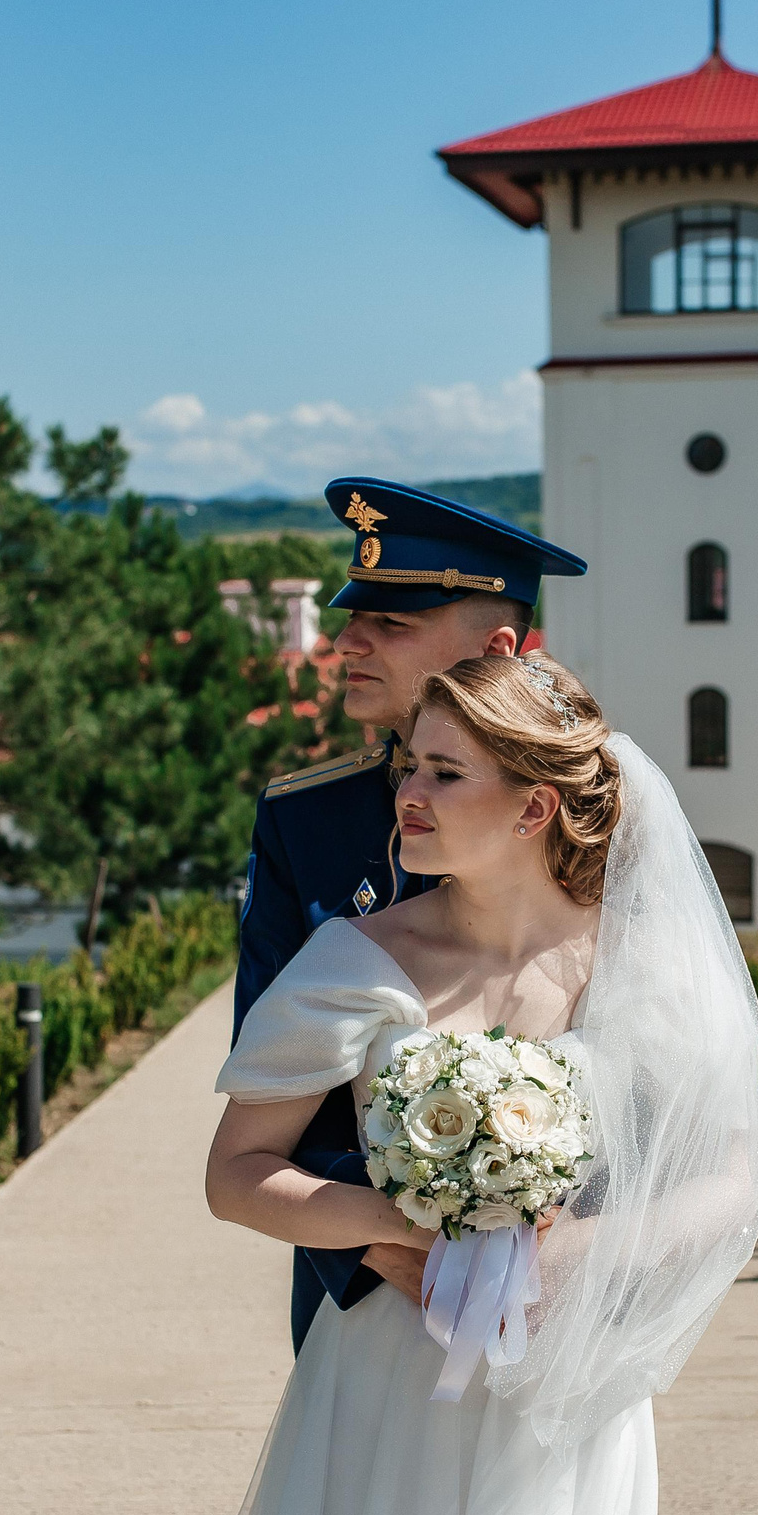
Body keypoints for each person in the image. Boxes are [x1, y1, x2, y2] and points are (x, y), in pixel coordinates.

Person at [182, 654, 758, 1515]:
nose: (406, 793)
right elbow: (238, 1174)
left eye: (446, 774)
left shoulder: (647, 966)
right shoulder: (355, 960)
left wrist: (573, 1252)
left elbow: (727, 1180)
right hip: (387, 1377)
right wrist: (407, 1228)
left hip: (568, 1385)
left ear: (534, 806)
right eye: (413, 763)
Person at [234, 477, 585, 1352]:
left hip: (560, 1299)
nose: (346, 640)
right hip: (367, 1297)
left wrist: (555, 1244)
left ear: (495, 647)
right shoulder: (304, 820)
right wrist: (378, 1236)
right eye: (355, 616)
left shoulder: (592, 819)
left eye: (391, 624)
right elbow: (271, 1077)